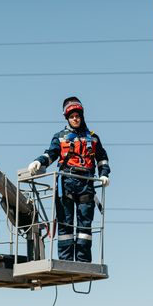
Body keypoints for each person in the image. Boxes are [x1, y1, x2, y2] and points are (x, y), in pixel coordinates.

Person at [27, 96, 110, 263]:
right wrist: (38, 161)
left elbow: (102, 158)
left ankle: (83, 261)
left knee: (84, 226)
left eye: (77, 116)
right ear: (67, 118)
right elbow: (50, 154)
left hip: (86, 184)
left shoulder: (93, 138)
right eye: (72, 116)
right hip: (65, 184)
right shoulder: (60, 137)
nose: (75, 119)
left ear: (81, 116)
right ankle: (65, 260)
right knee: (65, 224)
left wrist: (104, 174)